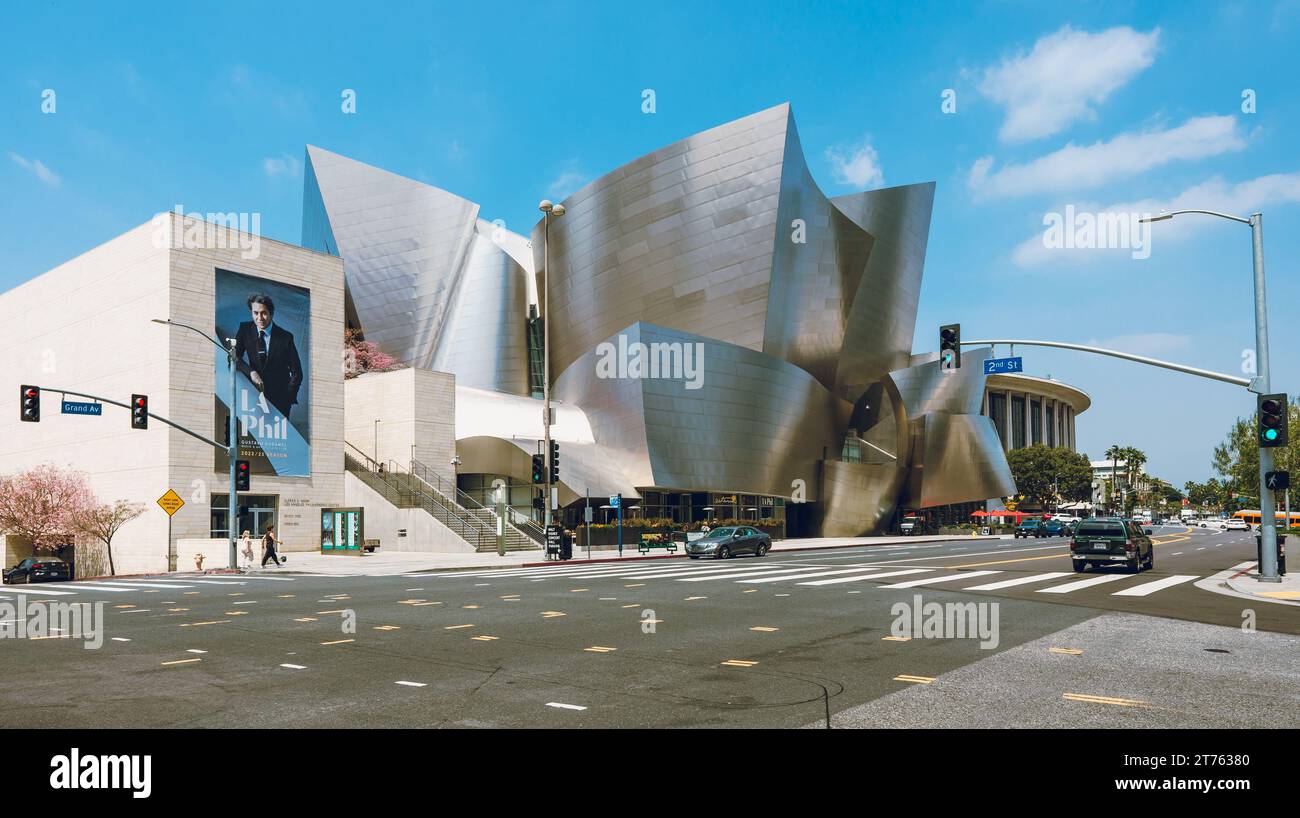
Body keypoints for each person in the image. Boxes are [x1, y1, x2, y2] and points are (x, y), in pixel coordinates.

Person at [234, 293, 303, 420]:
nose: (259, 318)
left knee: (279, 438)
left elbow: (297, 372)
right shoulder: (245, 330)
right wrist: (251, 372)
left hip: (280, 402)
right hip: (254, 396)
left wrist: (287, 399)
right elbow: (234, 357)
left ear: (271, 313)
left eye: (264, 313)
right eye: (255, 313)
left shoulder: (286, 337)